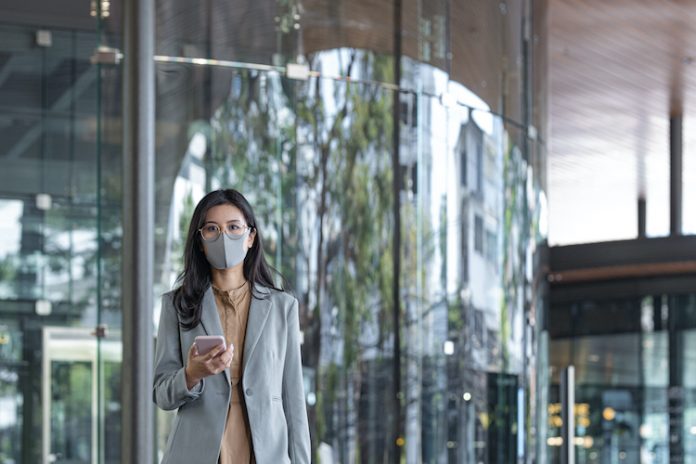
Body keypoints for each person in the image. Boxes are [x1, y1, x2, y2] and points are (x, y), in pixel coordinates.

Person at [153, 189, 311, 463]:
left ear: (250, 237)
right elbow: (162, 394)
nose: (223, 237)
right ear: (200, 241)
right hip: (197, 452)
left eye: (234, 227)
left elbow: (293, 400)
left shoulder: (282, 307)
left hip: (265, 452)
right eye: (212, 229)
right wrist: (191, 374)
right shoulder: (176, 305)